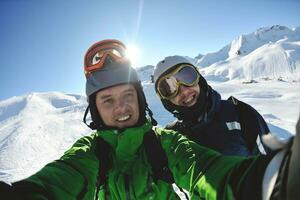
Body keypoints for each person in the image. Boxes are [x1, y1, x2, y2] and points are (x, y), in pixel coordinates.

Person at [1, 39, 299, 200]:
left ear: (141, 101)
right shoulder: (91, 152)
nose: (121, 108)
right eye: (107, 100)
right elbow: (63, 177)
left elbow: (204, 170)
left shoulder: (165, 142)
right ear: (95, 110)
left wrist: (272, 179)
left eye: (128, 96)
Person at [153, 55, 271, 156]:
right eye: (169, 88)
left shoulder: (241, 115)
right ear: (166, 100)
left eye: (187, 77)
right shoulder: (172, 136)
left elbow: (272, 165)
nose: (184, 91)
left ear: (199, 80)